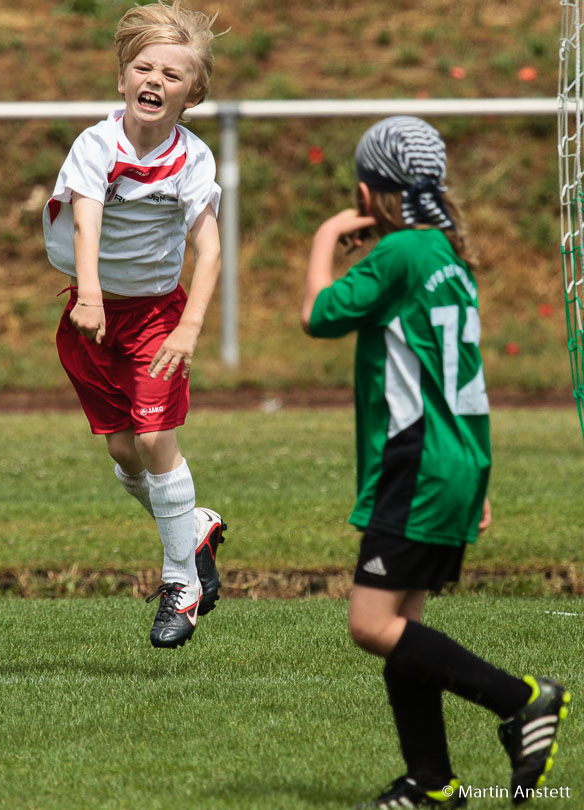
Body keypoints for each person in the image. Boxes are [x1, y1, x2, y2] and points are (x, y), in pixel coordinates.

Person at [301, 116, 570, 808]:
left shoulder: (400, 257)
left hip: (415, 464)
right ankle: (431, 779)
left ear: (369, 192)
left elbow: (319, 316)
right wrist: (476, 478)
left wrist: (329, 237)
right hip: (454, 461)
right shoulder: (448, 257)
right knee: (405, 625)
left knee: (371, 624)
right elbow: (468, 382)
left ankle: (523, 700)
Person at [43, 0, 226, 649]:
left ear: (193, 93)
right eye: (143, 67)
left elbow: (209, 248)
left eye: (172, 74)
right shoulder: (97, 144)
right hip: (90, 318)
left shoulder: (191, 160)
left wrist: (190, 327)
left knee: (155, 443)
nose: (154, 80)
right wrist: (88, 295)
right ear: (122, 78)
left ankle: (182, 582)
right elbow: (86, 216)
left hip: (155, 318)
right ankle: (194, 524)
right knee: (125, 454)